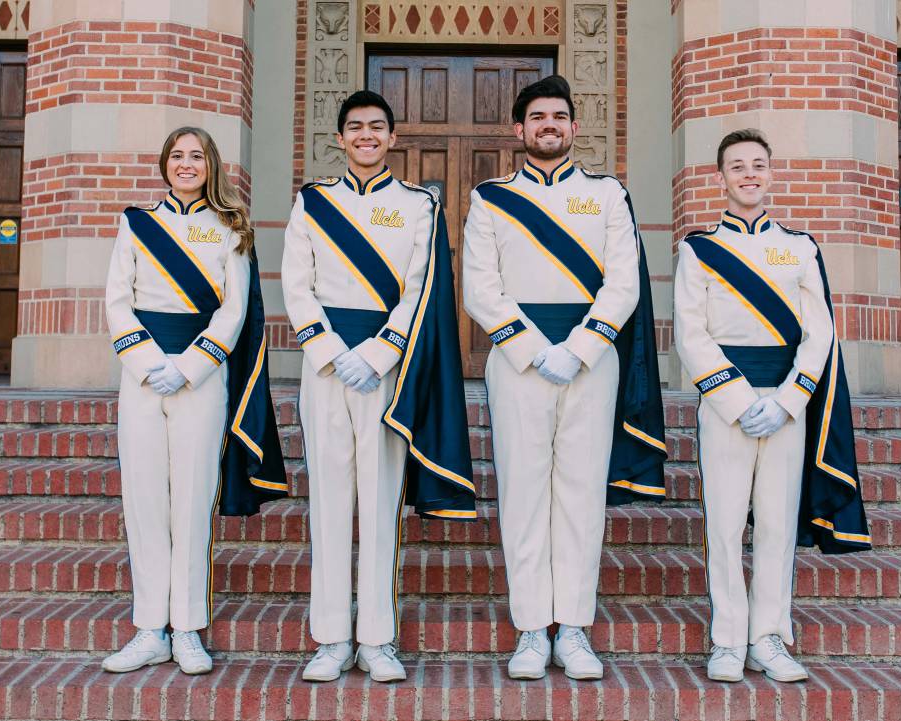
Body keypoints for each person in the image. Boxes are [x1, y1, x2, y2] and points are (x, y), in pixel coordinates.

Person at [462, 75, 666, 681]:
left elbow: (623, 281)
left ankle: (573, 626)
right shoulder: (489, 199)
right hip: (518, 361)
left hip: (589, 358)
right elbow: (480, 287)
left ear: (575, 128)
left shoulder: (607, 195)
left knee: (579, 494)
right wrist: (529, 348)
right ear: (519, 130)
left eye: (559, 117)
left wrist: (579, 348)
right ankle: (530, 628)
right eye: (537, 118)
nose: (548, 126)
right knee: (524, 493)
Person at [283, 90, 474, 683]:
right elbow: (297, 283)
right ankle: (332, 639)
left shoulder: (419, 205)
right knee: (331, 504)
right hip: (327, 368)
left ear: (393, 138)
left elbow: (419, 287)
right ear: (339, 139)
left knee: (382, 502)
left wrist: (380, 351)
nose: (366, 135)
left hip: (388, 369)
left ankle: (378, 639)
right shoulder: (312, 203)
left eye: (377, 127)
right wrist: (332, 351)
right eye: (355, 127)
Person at [674, 128, 871, 684]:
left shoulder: (801, 246)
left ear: (771, 172)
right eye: (737, 166)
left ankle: (769, 637)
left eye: (757, 164)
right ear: (721, 178)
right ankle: (728, 641)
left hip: (787, 403)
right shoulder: (698, 247)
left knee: (779, 525)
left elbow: (820, 331)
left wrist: (789, 400)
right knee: (726, 523)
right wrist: (737, 399)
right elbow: (691, 333)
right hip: (725, 403)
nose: (749, 174)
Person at [102, 127, 286, 675]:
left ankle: (186, 629)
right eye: (178, 156)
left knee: (190, 501)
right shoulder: (136, 223)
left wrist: (188, 366)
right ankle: (148, 628)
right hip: (141, 377)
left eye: (196, 156)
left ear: (211, 165)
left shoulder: (230, 228)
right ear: (165, 163)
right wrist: (147, 362)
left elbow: (234, 311)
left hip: (202, 378)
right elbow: (117, 299)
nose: (187, 164)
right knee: (144, 502)